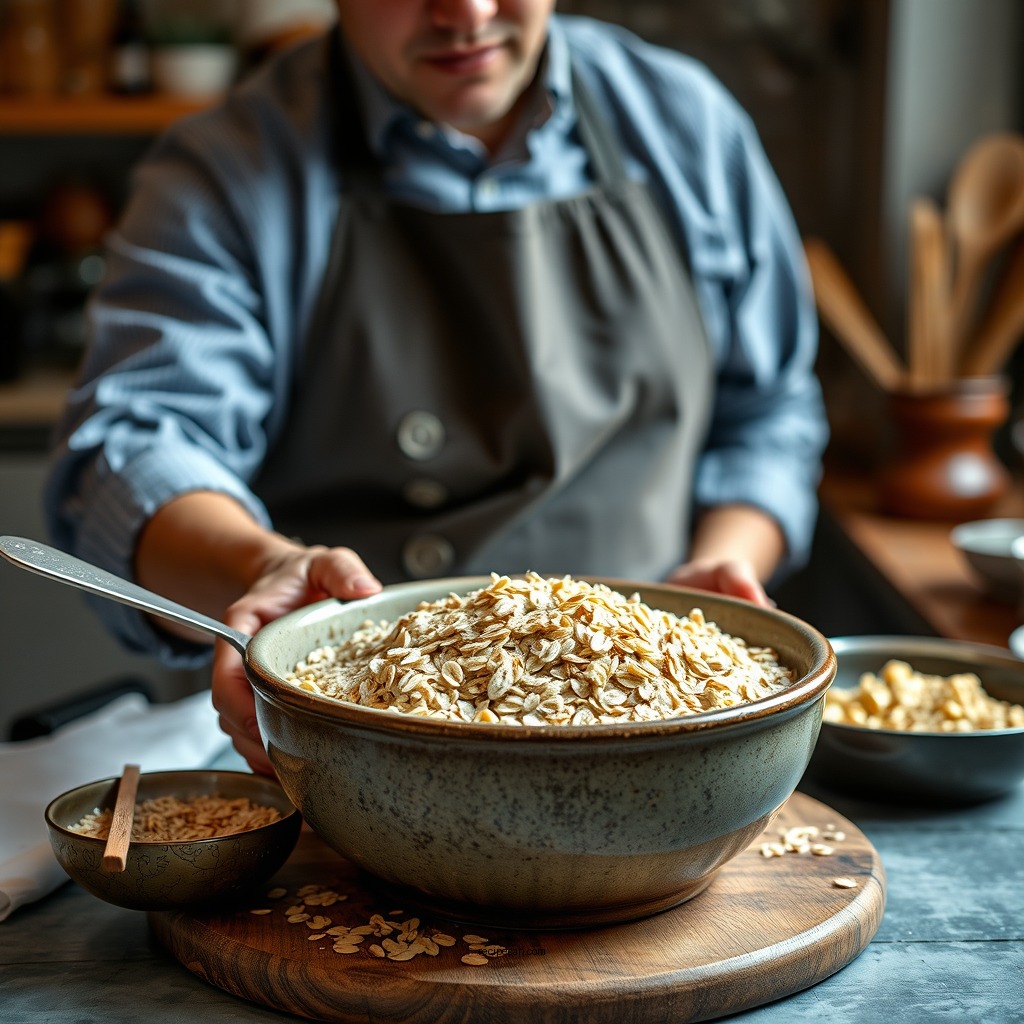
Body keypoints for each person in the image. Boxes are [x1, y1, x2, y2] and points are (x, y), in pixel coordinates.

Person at [44, 0, 829, 775]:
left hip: (663, 727)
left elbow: (767, 413)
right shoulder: (230, 167)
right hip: (350, 754)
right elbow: (135, 447)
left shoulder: (682, 121)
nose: (467, 12)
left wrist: (721, 570)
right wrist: (259, 567)